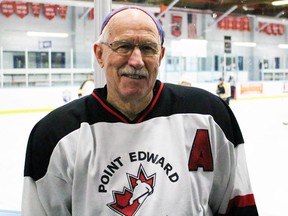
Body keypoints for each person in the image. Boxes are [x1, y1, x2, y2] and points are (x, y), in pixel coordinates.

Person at [22, 6, 258, 216]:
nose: (136, 60)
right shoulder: (54, 136)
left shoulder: (209, 117)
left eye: (148, 48)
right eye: (123, 46)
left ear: (161, 56)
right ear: (100, 54)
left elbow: (239, 206)